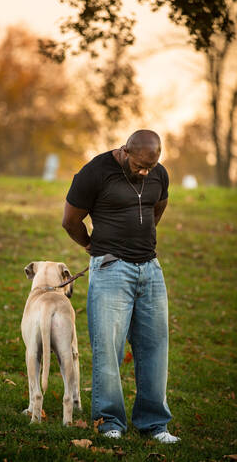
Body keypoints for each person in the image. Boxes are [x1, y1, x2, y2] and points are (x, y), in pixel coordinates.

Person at [62, 130, 180, 443]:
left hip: (151, 270)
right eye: (140, 165)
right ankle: (109, 421)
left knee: (154, 349)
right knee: (108, 351)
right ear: (125, 150)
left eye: (151, 167)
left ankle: (155, 425)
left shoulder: (159, 174)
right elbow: (70, 220)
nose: (145, 172)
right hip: (110, 268)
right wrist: (90, 245)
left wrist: (141, 235)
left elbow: (158, 207)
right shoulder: (94, 173)